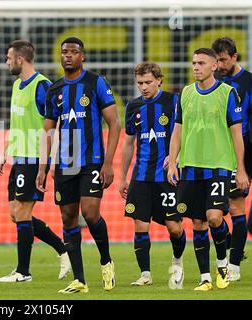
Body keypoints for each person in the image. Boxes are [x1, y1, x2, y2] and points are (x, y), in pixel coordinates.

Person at [36, 37, 121, 294]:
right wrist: (42, 167)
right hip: (65, 163)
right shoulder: (55, 90)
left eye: (73, 52)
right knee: (68, 216)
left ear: (82, 56)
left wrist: (108, 163)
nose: (68, 55)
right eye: (64, 52)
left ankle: (106, 261)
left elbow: (115, 124)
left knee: (91, 212)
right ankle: (80, 280)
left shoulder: (96, 82)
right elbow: (48, 131)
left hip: (93, 161)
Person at [167, 48, 249, 291]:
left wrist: (241, 169)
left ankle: (222, 263)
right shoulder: (185, 93)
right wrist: (173, 161)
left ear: (214, 66)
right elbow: (177, 131)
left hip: (219, 165)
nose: (195, 67)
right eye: (193, 63)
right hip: (191, 166)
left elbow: (237, 134)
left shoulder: (227, 93)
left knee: (214, 218)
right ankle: (205, 277)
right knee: (198, 222)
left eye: (201, 63)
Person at [0, 40, 71, 283]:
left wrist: (48, 162)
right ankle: (63, 249)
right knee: (15, 214)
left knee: (23, 212)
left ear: (21, 59)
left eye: (9, 58)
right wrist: (3, 150)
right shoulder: (17, 85)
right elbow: (17, 123)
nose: (7, 62)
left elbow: (54, 126)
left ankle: (23, 272)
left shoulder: (43, 86)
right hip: (18, 157)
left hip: (33, 159)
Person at [119, 62, 186, 288]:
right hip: (142, 176)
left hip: (167, 176)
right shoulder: (133, 106)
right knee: (140, 225)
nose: (144, 87)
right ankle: (145, 274)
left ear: (159, 80)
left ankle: (177, 261)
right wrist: (122, 177)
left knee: (174, 227)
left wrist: (176, 157)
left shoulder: (173, 101)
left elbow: (185, 133)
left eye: (148, 82)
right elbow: (128, 143)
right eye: (140, 83)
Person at [212, 37, 252, 281]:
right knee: (211, 212)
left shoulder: (249, 82)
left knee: (237, 205)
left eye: (224, 60)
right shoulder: (212, 82)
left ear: (235, 57)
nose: (219, 64)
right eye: (216, 60)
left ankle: (234, 264)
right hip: (216, 151)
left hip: (245, 147)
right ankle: (232, 246)